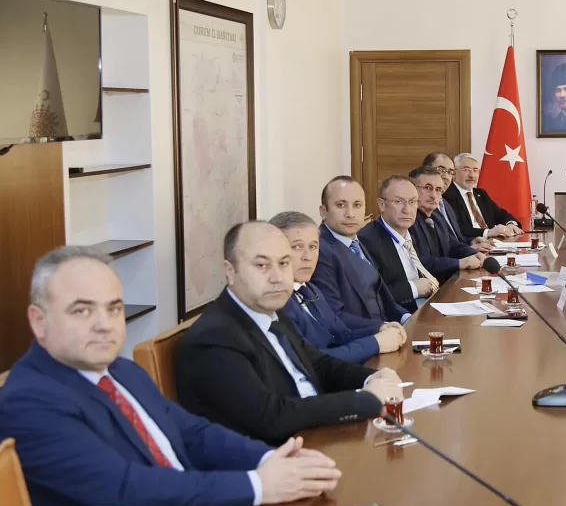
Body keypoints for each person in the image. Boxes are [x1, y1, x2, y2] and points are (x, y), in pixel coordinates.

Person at [0, 246, 343, 506]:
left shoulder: (121, 371)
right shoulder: (30, 404)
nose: (104, 324)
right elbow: (127, 489)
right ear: (39, 321)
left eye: (113, 308)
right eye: (82, 311)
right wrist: (259, 485)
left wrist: (272, 460)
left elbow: (193, 434)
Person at [176, 221, 404, 444]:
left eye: (284, 263)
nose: (277, 277)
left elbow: (318, 365)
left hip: (316, 435)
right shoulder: (214, 338)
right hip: (279, 454)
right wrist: (361, 400)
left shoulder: (272, 312)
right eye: (261, 265)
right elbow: (271, 416)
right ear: (230, 271)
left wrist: (370, 377)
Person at [270, 211, 407, 364]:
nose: (308, 256)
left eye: (313, 246)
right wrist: (376, 343)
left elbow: (341, 334)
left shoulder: (310, 289)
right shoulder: (277, 303)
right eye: (297, 247)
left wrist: (379, 329)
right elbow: (313, 362)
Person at [311, 176, 411, 330]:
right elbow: (334, 315)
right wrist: (382, 328)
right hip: (364, 337)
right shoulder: (320, 250)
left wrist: (407, 318)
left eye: (357, 205)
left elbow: (383, 298)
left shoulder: (357, 242)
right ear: (324, 212)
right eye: (340, 205)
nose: (350, 214)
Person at [357, 175, 441, 312]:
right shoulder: (367, 241)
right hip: (400, 317)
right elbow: (372, 295)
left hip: (427, 308)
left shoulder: (412, 232)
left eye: (412, 202)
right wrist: (413, 288)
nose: (407, 210)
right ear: (382, 204)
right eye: (398, 202)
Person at [410, 166, 487, 282]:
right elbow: (422, 263)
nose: (433, 195)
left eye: (438, 189)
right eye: (427, 188)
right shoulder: (408, 221)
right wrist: (459, 263)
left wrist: (473, 253)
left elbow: (452, 244)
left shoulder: (436, 215)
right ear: (412, 190)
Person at [421, 152, 493, 252]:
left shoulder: (445, 204)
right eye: (441, 170)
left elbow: (455, 239)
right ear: (426, 170)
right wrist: (468, 250)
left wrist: (471, 242)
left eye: (450, 172)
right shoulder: (424, 205)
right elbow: (437, 252)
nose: (446, 176)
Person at [442, 153, 523, 239]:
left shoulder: (481, 194)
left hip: (493, 242)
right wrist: (487, 232)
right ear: (454, 173)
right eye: (466, 170)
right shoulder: (446, 196)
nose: (472, 175)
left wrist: (510, 223)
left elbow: (501, 214)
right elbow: (456, 229)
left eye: (475, 170)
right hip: (470, 243)